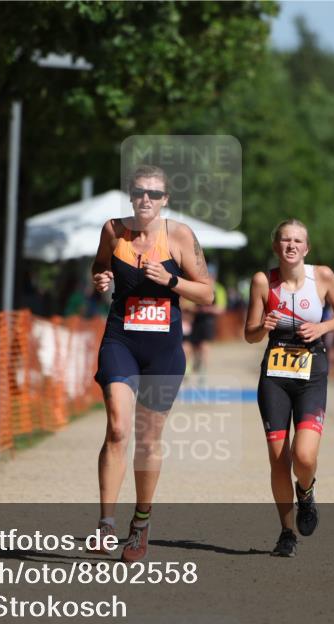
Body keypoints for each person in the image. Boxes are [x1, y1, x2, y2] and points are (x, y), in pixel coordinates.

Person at [90, 165, 214, 562]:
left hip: (163, 350)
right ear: (130, 195)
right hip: (121, 339)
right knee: (117, 426)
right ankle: (106, 524)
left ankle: (140, 523)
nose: (146, 199)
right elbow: (99, 267)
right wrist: (102, 279)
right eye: (140, 192)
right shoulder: (113, 231)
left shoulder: (179, 237)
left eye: (154, 194)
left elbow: (207, 294)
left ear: (165, 200)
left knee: (147, 439)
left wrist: (171, 281)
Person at [244, 218, 334, 557]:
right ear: (276, 247)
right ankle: (286, 532)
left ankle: (306, 493)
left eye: (298, 241)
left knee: (304, 456)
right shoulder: (263, 281)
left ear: (307, 248)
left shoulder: (322, 277)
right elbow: (249, 334)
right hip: (274, 374)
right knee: (279, 459)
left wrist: (321, 328)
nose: (291, 245)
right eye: (285, 240)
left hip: (312, 370)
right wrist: (263, 326)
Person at [189, 268, 227, 374]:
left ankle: (204, 370)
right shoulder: (197, 286)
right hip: (197, 319)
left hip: (209, 321)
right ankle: (197, 362)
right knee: (195, 346)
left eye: (211, 276)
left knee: (204, 345)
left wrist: (208, 309)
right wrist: (197, 309)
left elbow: (221, 309)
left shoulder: (219, 289)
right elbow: (188, 306)